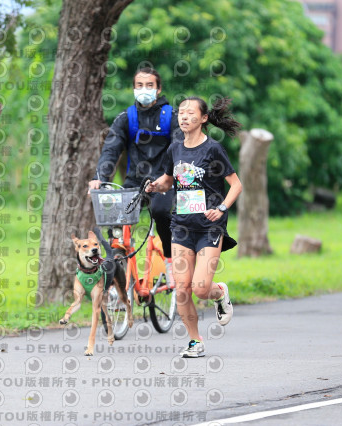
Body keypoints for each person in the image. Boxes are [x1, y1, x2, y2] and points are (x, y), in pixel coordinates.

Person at [146, 96, 242, 358]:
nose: (184, 117)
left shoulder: (213, 149)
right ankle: (195, 341)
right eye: (182, 113)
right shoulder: (175, 148)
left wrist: (221, 208)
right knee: (182, 288)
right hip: (182, 227)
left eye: (191, 113)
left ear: (203, 118)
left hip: (210, 227)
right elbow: (168, 181)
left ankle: (219, 292)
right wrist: (155, 186)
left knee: (201, 288)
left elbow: (236, 185)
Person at [88, 67, 182, 280]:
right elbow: (111, 149)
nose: (144, 89)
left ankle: (169, 259)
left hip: (163, 181)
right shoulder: (126, 118)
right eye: (139, 85)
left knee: (160, 212)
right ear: (133, 89)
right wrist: (99, 178)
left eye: (150, 85)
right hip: (135, 183)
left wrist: (168, 178)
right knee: (117, 224)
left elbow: (180, 149)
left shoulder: (171, 117)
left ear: (158, 90)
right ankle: (117, 278)